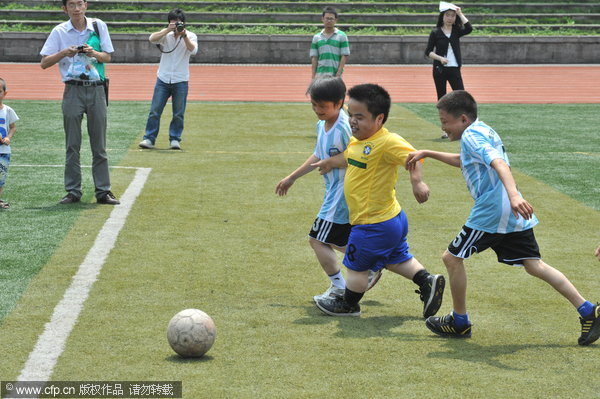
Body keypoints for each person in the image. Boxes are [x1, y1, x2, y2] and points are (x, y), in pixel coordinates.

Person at [405, 90, 600, 346]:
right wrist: (429, 153)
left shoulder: (472, 136)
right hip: (508, 211)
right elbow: (467, 161)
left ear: (463, 119)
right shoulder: (483, 130)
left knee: (451, 258)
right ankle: (588, 311)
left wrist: (513, 195)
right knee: (534, 265)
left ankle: (459, 321)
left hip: (493, 211)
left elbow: (498, 162)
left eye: (445, 122)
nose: (443, 127)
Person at [312, 83, 445, 317]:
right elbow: (351, 157)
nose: (353, 121)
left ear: (379, 118)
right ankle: (427, 281)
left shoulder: (387, 141)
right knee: (396, 258)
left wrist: (417, 183)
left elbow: (414, 156)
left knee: (355, 267)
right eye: (351, 115)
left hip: (372, 223)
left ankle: (348, 304)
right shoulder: (358, 140)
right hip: (389, 220)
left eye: (360, 117)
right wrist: (330, 162)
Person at [275, 77, 380, 302]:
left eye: (323, 106)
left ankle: (340, 287)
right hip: (333, 191)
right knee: (336, 239)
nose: (317, 110)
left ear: (340, 102)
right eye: (314, 105)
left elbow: (360, 154)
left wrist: (332, 162)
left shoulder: (344, 127)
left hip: (343, 192)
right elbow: (319, 154)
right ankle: (372, 263)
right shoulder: (321, 125)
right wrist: (292, 177)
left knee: (317, 239)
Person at [40, 0, 119, 205]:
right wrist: (64, 53)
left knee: (99, 144)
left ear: (86, 5)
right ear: (64, 9)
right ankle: (73, 191)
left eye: (80, 4)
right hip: (73, 90)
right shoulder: (59, 31)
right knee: (72, 144)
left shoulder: (98, 26)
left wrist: (93, 53)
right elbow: (44, 63)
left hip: (97, 89)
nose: (76, 8)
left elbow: (107, 57)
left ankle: (103, 191)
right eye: (72, 5)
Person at [139, 8, 198, 151]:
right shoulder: (166, 34)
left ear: (183, 23)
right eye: (173, 21)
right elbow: (152, 39)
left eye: (178, 22)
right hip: (163, 79)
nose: (176, 24)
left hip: (181, 80)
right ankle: (149, 138)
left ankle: (175, 139)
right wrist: (167, 30)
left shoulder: (191, 35)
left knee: (178, 113)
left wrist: (184, 36)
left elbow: (193, 50)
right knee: (155, 111)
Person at [424, 2, 472, 138]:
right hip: (440, 69)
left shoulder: (457, 31)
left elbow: (469, 28)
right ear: (442, 16)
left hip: (454, 69)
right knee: (442, 99)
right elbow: (428, 52)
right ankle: (445, 129)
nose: (450, 18)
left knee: (462, 96)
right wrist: (440, 58)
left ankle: (465, 127)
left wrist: (460, 13)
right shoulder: (435, 32)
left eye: (452, 16)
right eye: (447, 15)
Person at [310, 6, 350, 80]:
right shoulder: (316, 37)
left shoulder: (342, 36)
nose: (329, 21)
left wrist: (339, 73)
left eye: (331, 19)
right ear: (322, 19)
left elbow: (344, 56)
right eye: (327, 18)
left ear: (335, 20)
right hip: (320, 74)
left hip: (335, 75)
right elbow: (314, 58)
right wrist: (313, 75)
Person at [0, 78, 19, 210]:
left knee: (1, 177)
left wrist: (8, 137)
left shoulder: (7, 110)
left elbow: (13, 127)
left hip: (4, 150)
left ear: (4, 93)